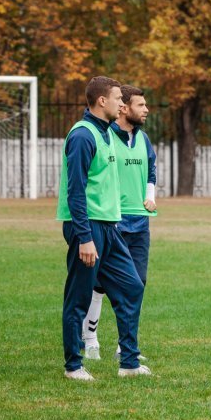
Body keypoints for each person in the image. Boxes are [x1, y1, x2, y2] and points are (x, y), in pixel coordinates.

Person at [56, 76, 150, 380]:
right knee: (79, 297)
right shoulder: (83, 136)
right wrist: (84, 237)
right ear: (101, 101)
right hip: (88, 228)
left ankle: (129, 363)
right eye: (118, 99)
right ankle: (73, 366)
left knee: (131, 286)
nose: (122, 104)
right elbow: (75, 191)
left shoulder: (106, 132)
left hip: (110, 227)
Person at [82, 85, 157, 362]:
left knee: (137, 283)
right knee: (99, 284)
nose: (146, 110)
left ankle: (125, 347)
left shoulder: (143, 139)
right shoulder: (106, 136)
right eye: (140, 105)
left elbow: (151, 170)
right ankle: (89, 339)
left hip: (140, 224)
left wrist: (150, 197)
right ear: (123, 107)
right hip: (112, 222)